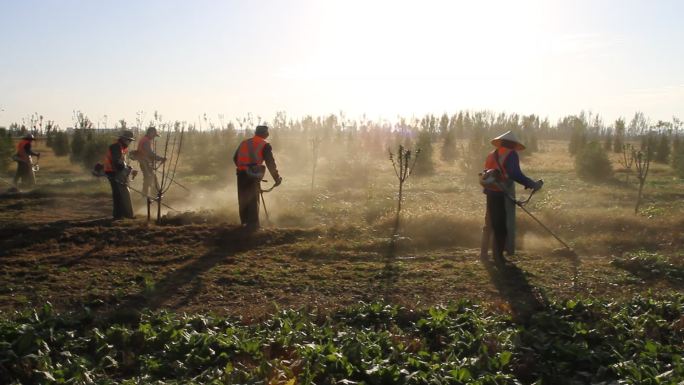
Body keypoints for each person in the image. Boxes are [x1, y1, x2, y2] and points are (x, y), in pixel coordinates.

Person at [481, 131, 542, 261]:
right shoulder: (511, 154)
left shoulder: (492, 155)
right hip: (501, 193)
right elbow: (515, 174)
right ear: (513, 144)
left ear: (501, 142)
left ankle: (484, 254)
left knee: (489, 224)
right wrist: (531, 184)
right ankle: (498, 257)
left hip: (490, 191)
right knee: (501, 226)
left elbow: (487, 173)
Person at [233, 125, 282, 231]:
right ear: (266, 134)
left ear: (256, 132)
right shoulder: (265, 145)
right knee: (253, 199)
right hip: (253, 175)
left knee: (243, 198)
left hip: (241, 174)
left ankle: (244, 224)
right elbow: (270, 163)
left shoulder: (244, 142)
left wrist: (243, 168)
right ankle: (253, 226)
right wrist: (276, 178)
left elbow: (235, 158)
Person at [104, 131, 137, 219]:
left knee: (118, 194)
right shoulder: (116, 147)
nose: (129, 142)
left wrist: (129, 168)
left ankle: (119, 215)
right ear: (123, 139)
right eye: (129, 140)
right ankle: (122, 215)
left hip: (115, 171)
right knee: (119, 193)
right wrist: (127, 169)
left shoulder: (122, 147)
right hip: (112, 171)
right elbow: (118, 164)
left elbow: (122, 163)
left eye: (130, 141)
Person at [136, 126, 166, 198]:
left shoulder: (145, 139)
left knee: (148, 178)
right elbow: (150, 153)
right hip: (145, 162)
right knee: (150, 178)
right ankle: (155, 195)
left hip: (145, 162)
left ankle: (146, 196)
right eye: (154, 135)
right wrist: (160, 158)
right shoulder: (146, 141)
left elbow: (149, 153)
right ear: (151, 133)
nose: (154, 137)